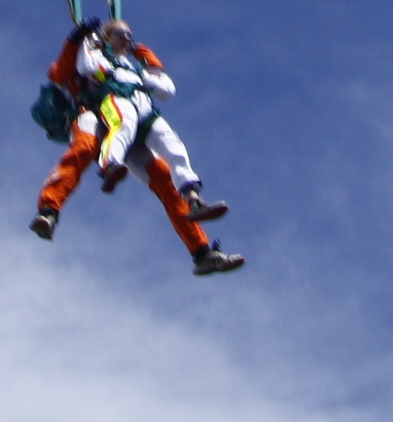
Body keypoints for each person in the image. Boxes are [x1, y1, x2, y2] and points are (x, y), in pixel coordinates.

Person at [29, 19, 241, 275]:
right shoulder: (88, 57)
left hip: (130, 122)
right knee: (84, 149)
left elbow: (159, 84)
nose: (125, 39)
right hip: (93, 115)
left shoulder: (127, 66)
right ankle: (49, 211)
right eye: (119, 35)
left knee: (165, 179)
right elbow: (61, 72)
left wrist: (147, 61)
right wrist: (75, 40)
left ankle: (202, 252)